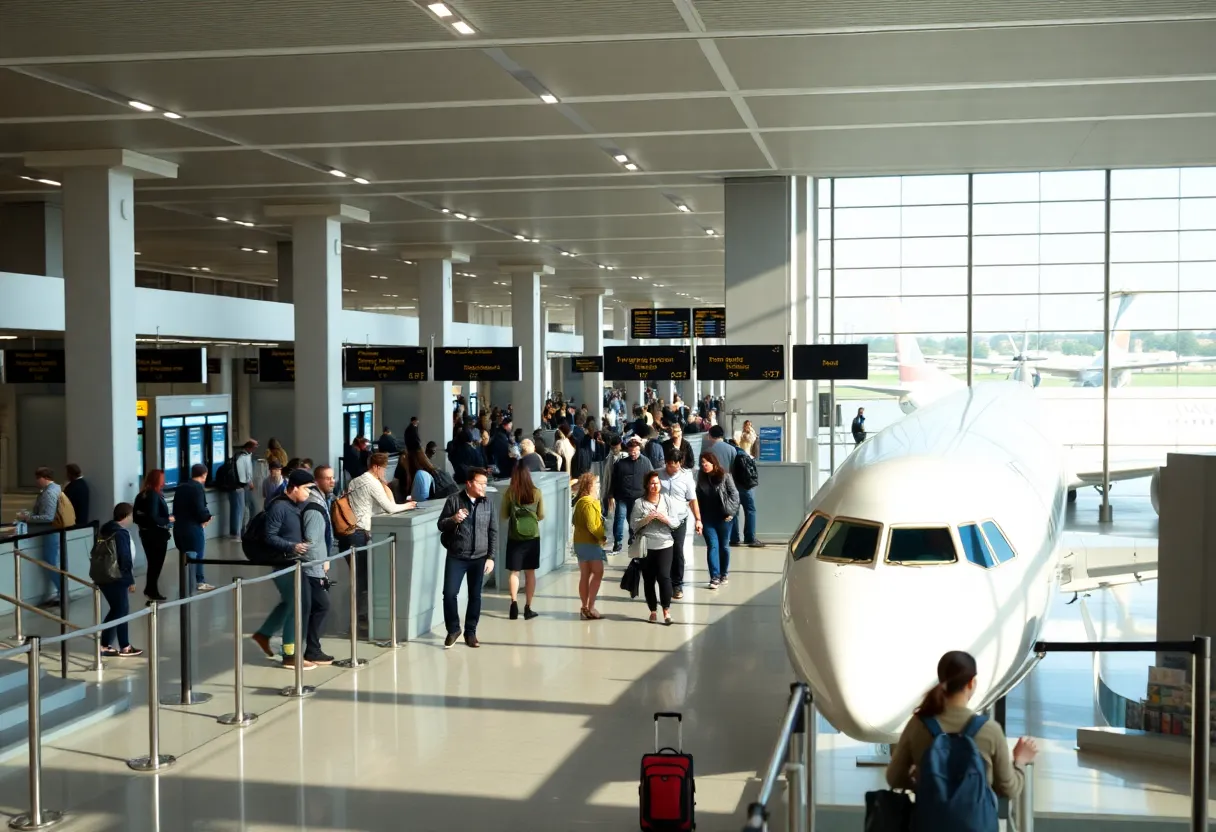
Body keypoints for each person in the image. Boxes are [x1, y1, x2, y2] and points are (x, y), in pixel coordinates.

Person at [887, 651, 1037, 811]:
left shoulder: (918, 724)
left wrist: (923, 785)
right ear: (972, 682)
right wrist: (1020, 761)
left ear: (941, 681)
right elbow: (1009, 789)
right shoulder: (990, 730)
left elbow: (894, 777)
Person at [251, 469, 316, 670]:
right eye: (306, 489)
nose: (308, 494)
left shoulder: (293, 505)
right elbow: (269, 536)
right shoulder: (279, 507)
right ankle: (290, 654)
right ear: (294, 488)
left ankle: (264, 633)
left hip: (292, 561)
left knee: (289, 603)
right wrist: (292, 546)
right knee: (296, 605)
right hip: (284, 563)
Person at [346, 452, 416, 615]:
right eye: (383, 469)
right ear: (376, 467)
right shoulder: (372, 483)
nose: (384, 472)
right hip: (364, 532)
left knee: (358, 576)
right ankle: (364, 614)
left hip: (352, 531)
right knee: (366, 576)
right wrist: (408, 505)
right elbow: (390, 507)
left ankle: (358, 613)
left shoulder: (355, 481)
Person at [436, 468, 497, 649]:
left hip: (479, 557)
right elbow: (441, 524)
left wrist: (491, 557)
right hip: (457, 556)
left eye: (485, 483)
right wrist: (454, 519)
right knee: (449, 593)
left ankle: (471, 632)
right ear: (469, 483)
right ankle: (453, 629)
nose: (484, 486)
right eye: (480, 483)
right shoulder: (454, 500)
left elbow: (493, 531)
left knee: (475, 596)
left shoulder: (488, 503)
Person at [630, 471, 682, 625]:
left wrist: (664, 518)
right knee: (648, 579)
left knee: (664, 577)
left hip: (665, 544)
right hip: (646, 545)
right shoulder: (639, 503)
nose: (655, 486)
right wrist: (647, 519)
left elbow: (676, 522)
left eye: (657, 483)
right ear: (647, 485)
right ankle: (653, 610)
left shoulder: (667, 500)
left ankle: (666, 610)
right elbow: (634, 525)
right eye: (652, 483)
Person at [98, 503, 142, 657]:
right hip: (117, 577)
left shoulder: (105, 529)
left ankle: (112, 644)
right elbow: (125, 558)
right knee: (121, 610)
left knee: (118, 609)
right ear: (125, 516)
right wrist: (130, 580)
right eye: (130, 516)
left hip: (103, 575)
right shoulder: (121, 533)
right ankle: (121, 645)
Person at [303, 465, 336, 665]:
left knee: (317, 606)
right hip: (313, 567)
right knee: (323, 606)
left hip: (315, 565)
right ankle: (312, 650)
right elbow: (312, 541)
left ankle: (312, 648)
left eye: (333, 478)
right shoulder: (315, 507)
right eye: (328, 478)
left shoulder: (321, 501)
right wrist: (321, 563)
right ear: (317, 481)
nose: (332, 481)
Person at [501, 464, 544, 621]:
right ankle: (528, 608)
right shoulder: (536, 492)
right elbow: (541, 515)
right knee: (530, 572)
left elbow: (504, 515)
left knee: (514, 572)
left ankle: (513, 605)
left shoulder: (510, 493)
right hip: (533, 537)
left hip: (515, 537)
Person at [17, 467, 64, 606]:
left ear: (43, 478)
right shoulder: (56, 488)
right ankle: (60, 590)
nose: (36, 482)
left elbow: (48, 517)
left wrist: (28, 517)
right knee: (51, 561)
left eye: (37, 479)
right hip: (54, 530)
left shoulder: (49, 493)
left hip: (50, 531)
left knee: (49, 561)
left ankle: (62, 590)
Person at [659, 450, 701, 601]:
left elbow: (692, 500)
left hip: (679, 521)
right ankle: (665, 583)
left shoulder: (686, 478)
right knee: (662, 552)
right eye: (669, 465)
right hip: (661, 520)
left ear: (680, 463)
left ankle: (677, 584)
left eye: (675, 465)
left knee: (677, 551)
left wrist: (698, 519)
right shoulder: (658, 475)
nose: (672, 468)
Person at [696, 451, 739, 591]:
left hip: (724, 518)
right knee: (712, 546)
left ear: (713, 463)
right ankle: (714, 576)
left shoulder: (725, 476)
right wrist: (698, 519)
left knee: (724, 546)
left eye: (706, 462)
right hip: (708, 518)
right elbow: (698, 499)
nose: (704, 465)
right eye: (702, 463)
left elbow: (735, 495)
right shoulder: (701, 478)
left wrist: (731, 513)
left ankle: (724, 574)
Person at [173, 463, 215, 592]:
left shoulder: (181, 487)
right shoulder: (197, 488)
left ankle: (186, 582)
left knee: (185, 556)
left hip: (179, 527)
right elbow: (200, 509)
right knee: (197, 554)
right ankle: (198, 581)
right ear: (204, 475)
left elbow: (176, 508)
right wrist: (207, 518)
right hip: (193, 527)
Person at [132, 469, 172, 602]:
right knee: (156, 563)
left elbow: (136, 516)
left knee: (152, 562)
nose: (164, 481)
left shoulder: (141, 495)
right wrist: (168, 520)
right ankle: (151, 589)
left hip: (145, 533)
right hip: (157, 534)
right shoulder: (154, 496)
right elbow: (154, 516)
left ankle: (150, 588)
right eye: (162, 478)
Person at [572, 473, 607, 620]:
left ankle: (584, 606)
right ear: (589, 486)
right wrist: (602, 537)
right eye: (596, 484)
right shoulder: (591, 503)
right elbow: (593, 526)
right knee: (598, 573)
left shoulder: (579, 502)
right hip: (590, 543)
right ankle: (590, 607)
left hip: (579, 543)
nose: (598, 487)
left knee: (584, 575)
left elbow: (574, 521)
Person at [609, 437, 652, 553]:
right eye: (631, 452)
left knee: (634, 520)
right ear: (627, 451)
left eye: (636, 451)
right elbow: (614, 480)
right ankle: (617, 542)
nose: (633, 454)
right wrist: (611, 496)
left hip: (638, 498)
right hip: (622, 497)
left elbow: (651, 479)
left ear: (639, 450)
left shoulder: (646, 462)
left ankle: (633, 538)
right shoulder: (621, 464)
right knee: (619, 518)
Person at [229, 440, 257, 539]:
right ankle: (238, 531)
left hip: (239, 485)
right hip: (241, 486)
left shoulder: (240, 456)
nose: (255, 450)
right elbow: (245, 472)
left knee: (241, 508)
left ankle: (239, 530)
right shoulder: (243, 456)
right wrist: (248, 482)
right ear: (249, 448)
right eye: (254, 447)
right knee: (242, 509)